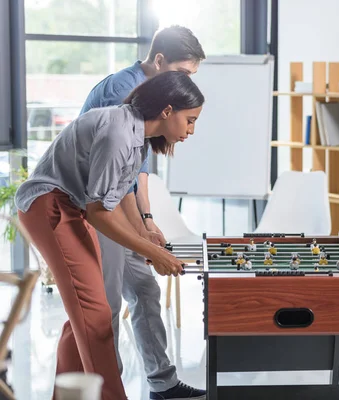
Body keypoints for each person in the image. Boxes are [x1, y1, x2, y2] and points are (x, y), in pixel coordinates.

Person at [15, 71, 204, 400]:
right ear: (167, 110)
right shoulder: (118, 131)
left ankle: (68, 395)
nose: (191, 130)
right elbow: (99, 212)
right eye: (190, 120)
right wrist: (152, 252)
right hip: (49, 207)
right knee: (97, 314)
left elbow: (117, 198)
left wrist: (145, 233)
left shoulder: (137, 139)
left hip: (69, 207)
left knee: (84, 314)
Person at [79, 25, 206, 399]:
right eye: (182, 74)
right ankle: (107, 388)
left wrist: (147, 223)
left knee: (144, 289)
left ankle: (162, 382)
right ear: (159, 61)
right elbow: (111, 177)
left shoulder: (154, 98)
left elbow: (137, 169)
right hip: (97, 205)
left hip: (121, 203)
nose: (185, 84)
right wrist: (142, 235)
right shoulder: (124, 91)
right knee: (108, 302)